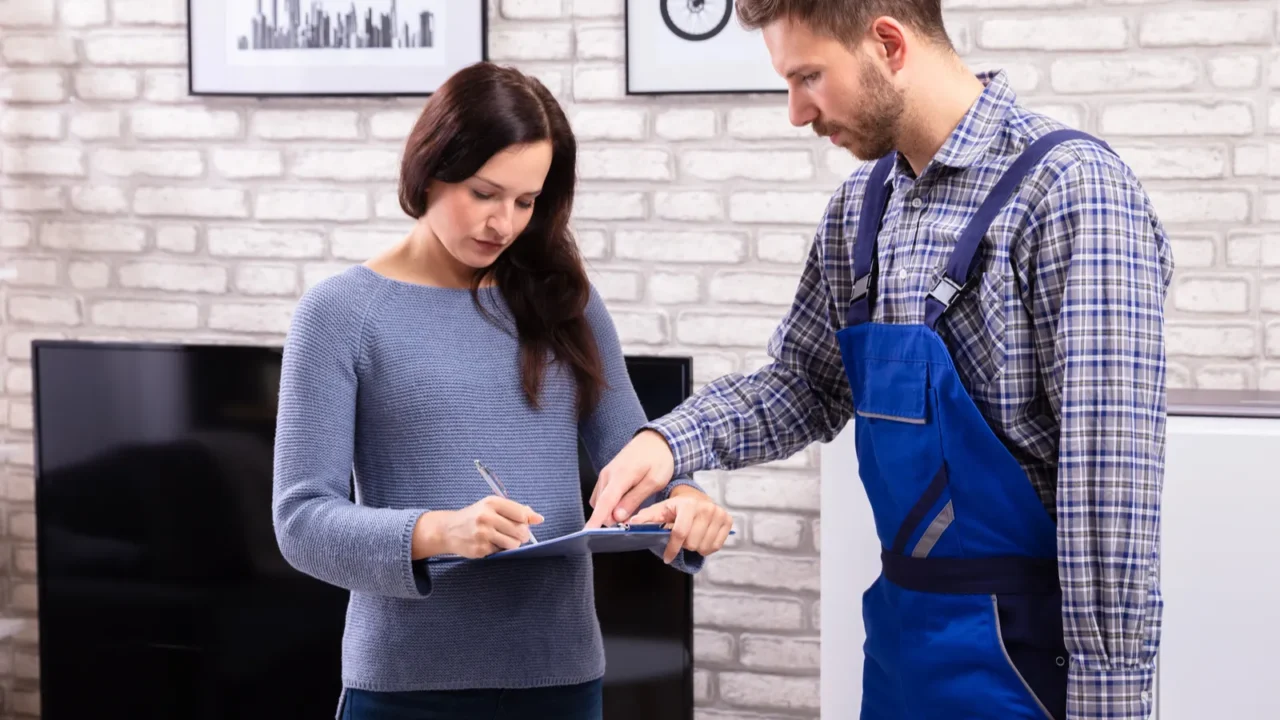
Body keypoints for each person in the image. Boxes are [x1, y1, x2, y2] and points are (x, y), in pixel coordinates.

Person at [590, 2, 1172, 719]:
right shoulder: (859, 209)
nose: (797, 112)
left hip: (1027, 670)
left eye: (809, 77)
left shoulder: (1072, 193)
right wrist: (668, 439)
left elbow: (1109, 495)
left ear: (888, 43)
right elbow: (803, 384)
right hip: (901, 650)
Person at [271, 61, 733, 720]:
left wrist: (682, 502)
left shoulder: (565, 302)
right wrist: (437, 532)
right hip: (407, 689)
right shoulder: (340, 315)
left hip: (560, 680)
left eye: (526, 201)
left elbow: (632, 463)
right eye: (485, 193)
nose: (504, 224)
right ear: (430, 169)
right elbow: (300, 522)